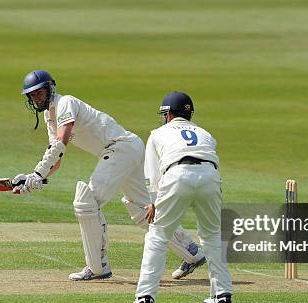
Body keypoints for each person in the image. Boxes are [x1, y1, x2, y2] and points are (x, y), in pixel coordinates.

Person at [13, 70, 206, 281]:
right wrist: (37, 178)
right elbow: (56, 158)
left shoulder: (65, 102)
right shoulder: (49, 116)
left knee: (87, 203)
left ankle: (97, 267)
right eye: (32, 95)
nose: (36, 98)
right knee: (143, 211)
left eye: (39, 93)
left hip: (119, 148)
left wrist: (37, 173)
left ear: (50, 89)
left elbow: (61, 142)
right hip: (127, 148)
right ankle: (192, 252)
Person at [130, 92, 233, 303]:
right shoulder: (205, 133)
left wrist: (153, 202)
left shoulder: (158, 133)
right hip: (210, 177)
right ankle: (223, 296)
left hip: (177, 174)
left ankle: (144, 298)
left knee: (157, 236)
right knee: (213, 236)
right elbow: (213, 162)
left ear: (168, 114)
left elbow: (151, 174)